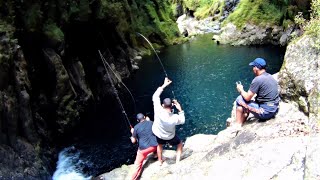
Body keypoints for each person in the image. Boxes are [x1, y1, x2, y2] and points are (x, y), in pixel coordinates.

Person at [235, 57, 280, 127]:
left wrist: (241, 89)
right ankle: (244, 116)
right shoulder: (270, 76)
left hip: (266, 112)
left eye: (253, 67)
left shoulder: (257, 79)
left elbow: (247, 98)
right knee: (245, 103)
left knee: (239, 99)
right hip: (274, 108)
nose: (252, 69)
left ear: (256, 68)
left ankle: (237, 125)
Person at [152, 77, 185, 164]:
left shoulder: (158, 110)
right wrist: (180, 109)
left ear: (163, 105)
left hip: (159, 134)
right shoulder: (174, 117)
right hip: (170, 136)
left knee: (159, 145)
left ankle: (160, 161)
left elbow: (155, 96)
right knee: (180, 144)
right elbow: (182, 121)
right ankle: (177, 162)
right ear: (172, 106)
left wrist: (164, 85)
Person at [130, 113, 158, 180]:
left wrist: (132, 134)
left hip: (143, 150)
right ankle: (155, 155)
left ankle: (133, 178)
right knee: (156, 141)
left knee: (137, 165)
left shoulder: (136, 127)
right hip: (154, 146)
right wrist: (148, 120)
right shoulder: (151, 122)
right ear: (145, 117)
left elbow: (133, 141)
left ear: (137, 120)